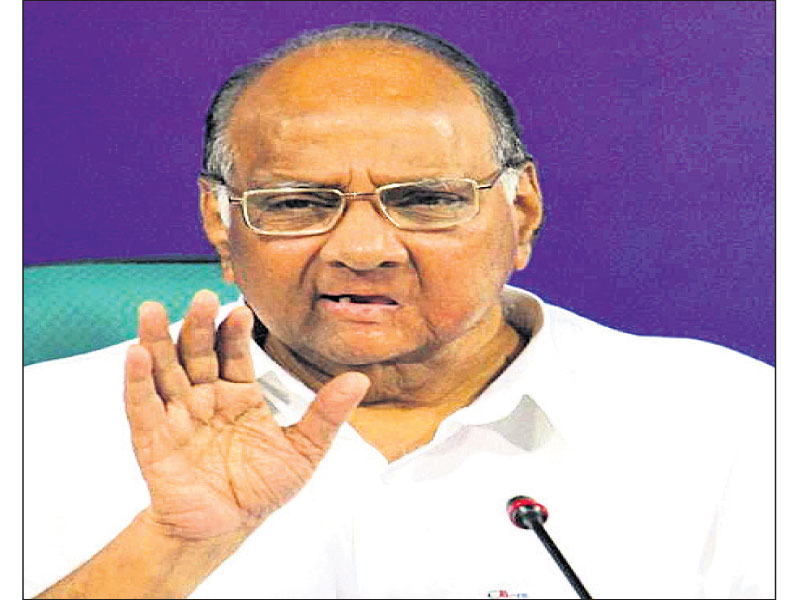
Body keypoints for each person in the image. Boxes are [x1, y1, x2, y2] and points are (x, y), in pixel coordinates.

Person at [24, 22, 774, 599]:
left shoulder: (737, 424)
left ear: (523, 212)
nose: (363, 249)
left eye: (425, 200)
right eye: (298, 203)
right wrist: (168, 550)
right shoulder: (34, 430)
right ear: (220, 223)